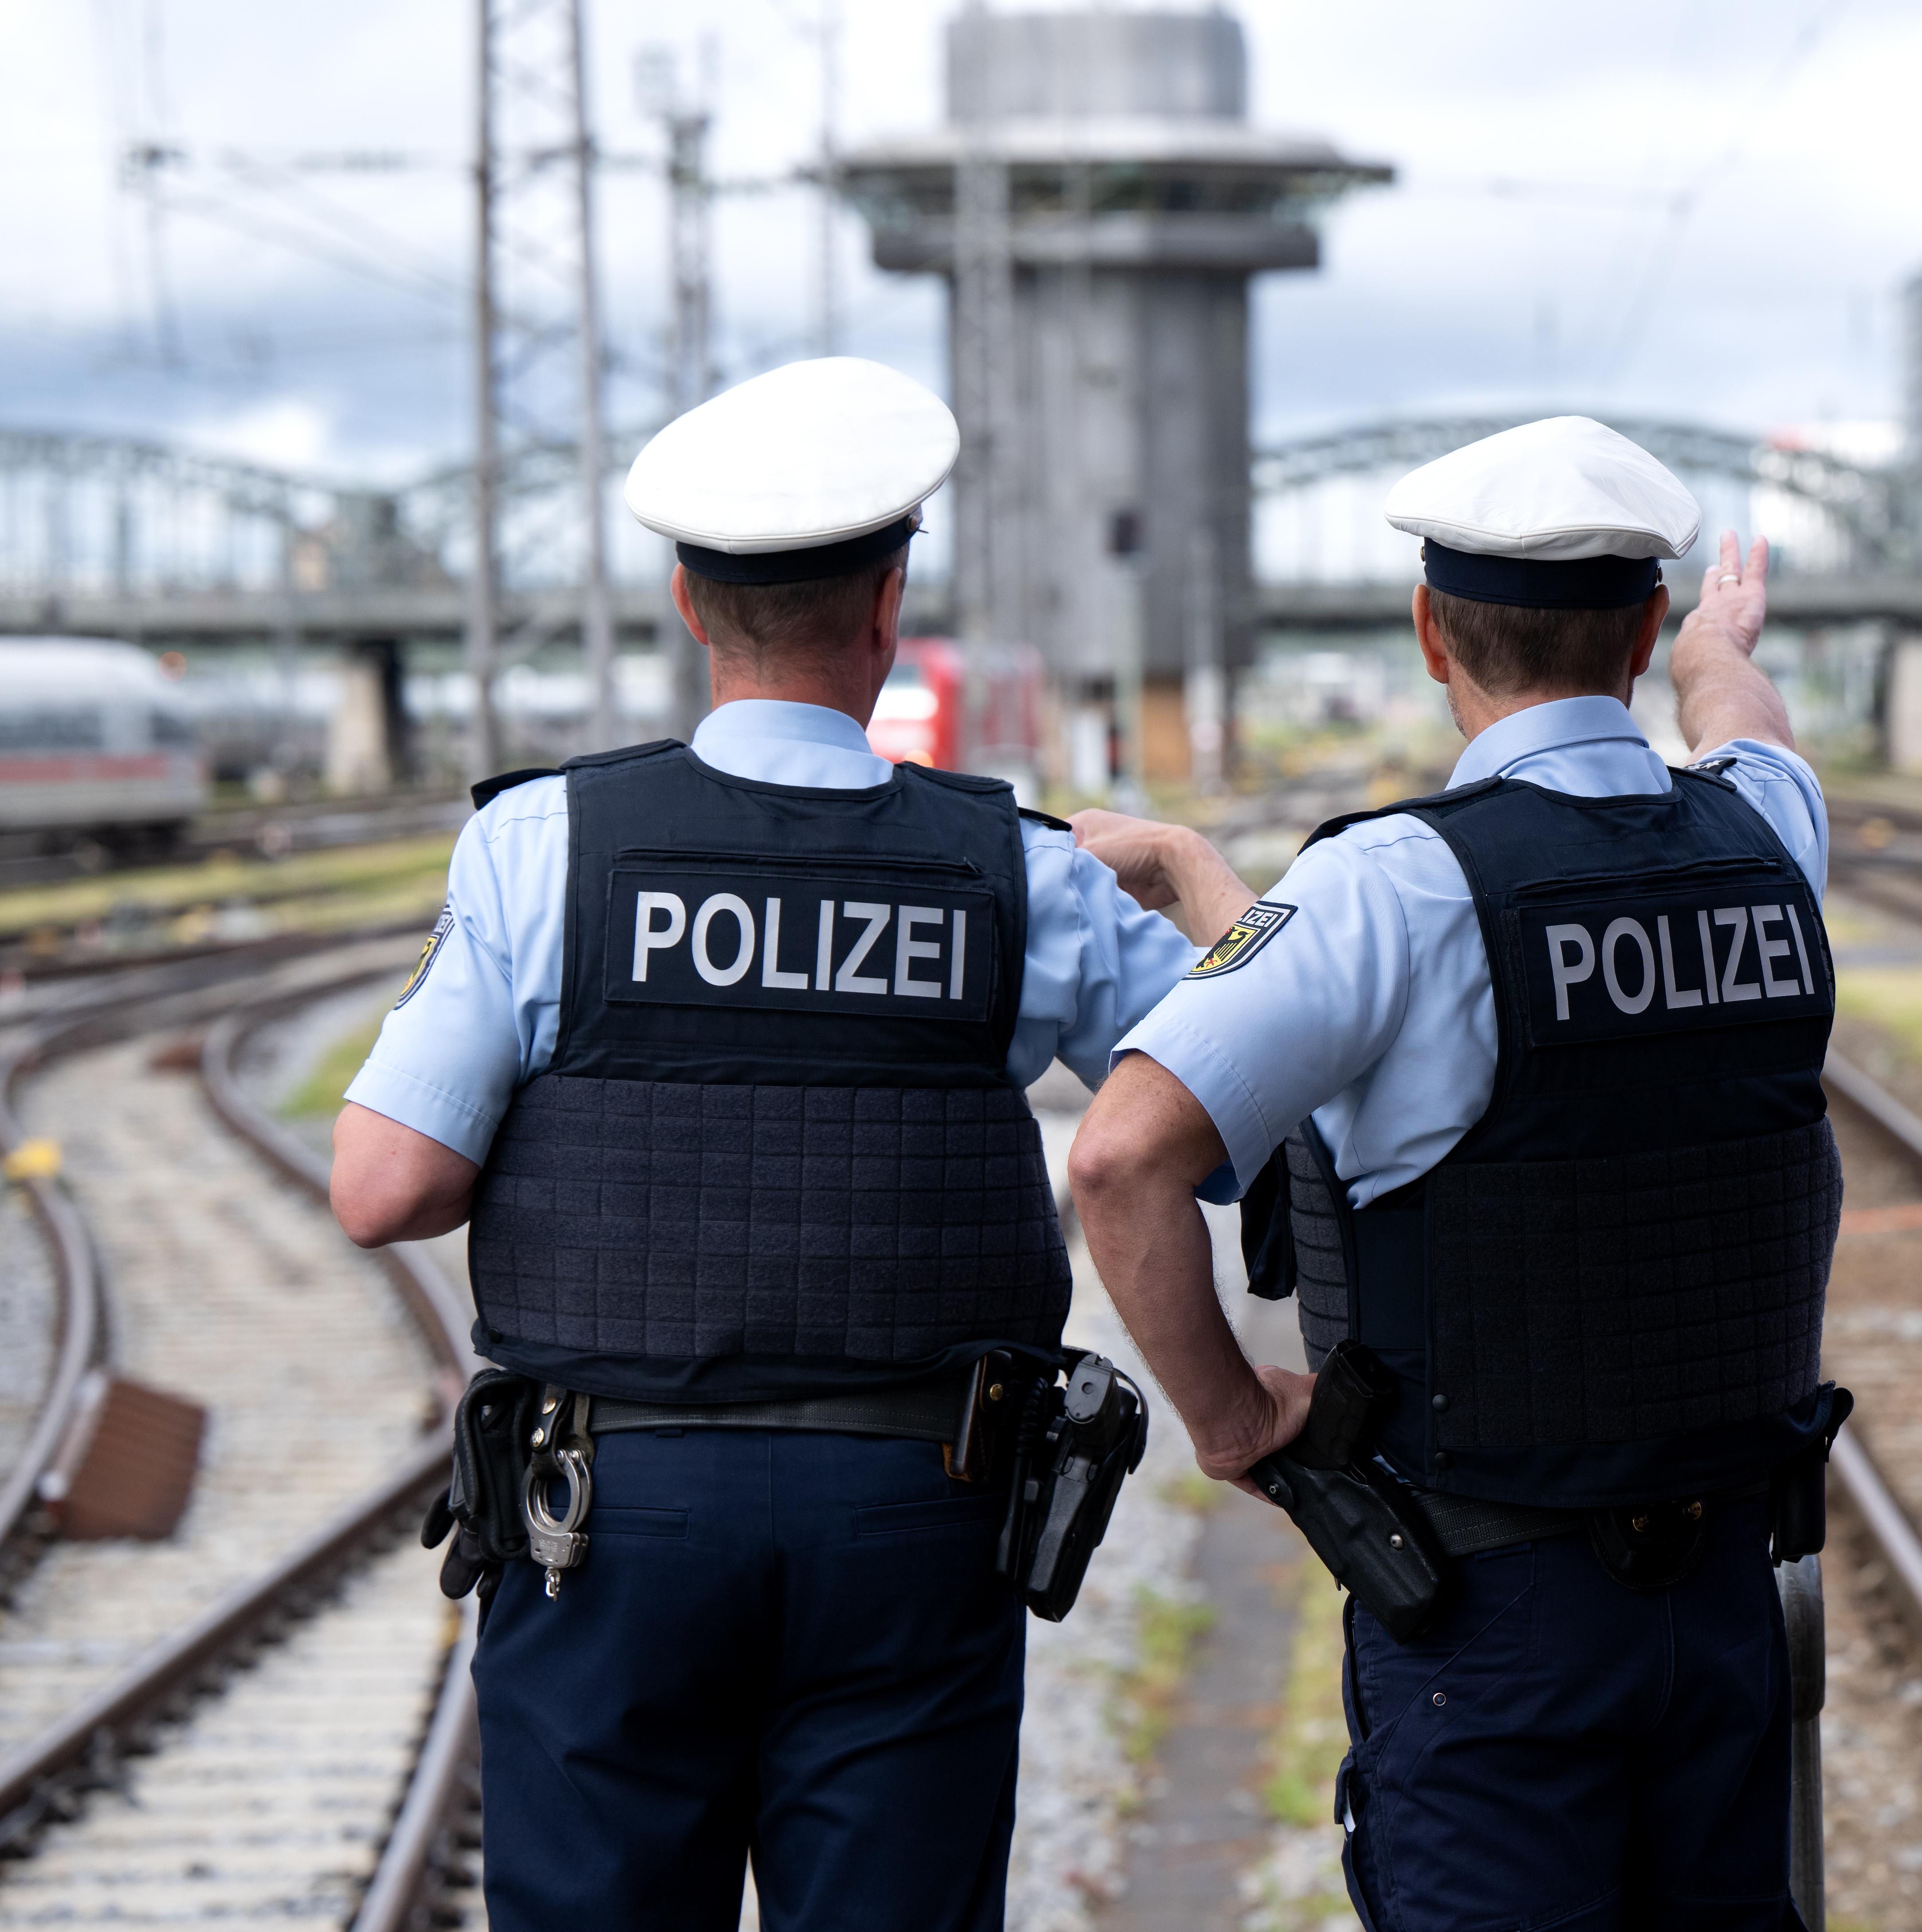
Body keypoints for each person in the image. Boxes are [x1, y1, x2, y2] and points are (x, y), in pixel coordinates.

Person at [326, 355, 1249, 1932]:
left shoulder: (548, 844)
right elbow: (1251, 1115)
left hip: (609, 1519)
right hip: (918, 1508)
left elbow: (383, 1185)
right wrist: (1202, 881)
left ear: (691, 605)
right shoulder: (1020, 872)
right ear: (889, 607)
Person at [1068, 416, 1843, 1931]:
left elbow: (1118, 1159)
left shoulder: (1391, 883)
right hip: (1720, 1601)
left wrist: (1232, 1423)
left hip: (1495, 1623)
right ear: (1636, 632)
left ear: (1431, 633)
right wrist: (1717, 651)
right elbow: (1747, 722)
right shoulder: (1765, 836)